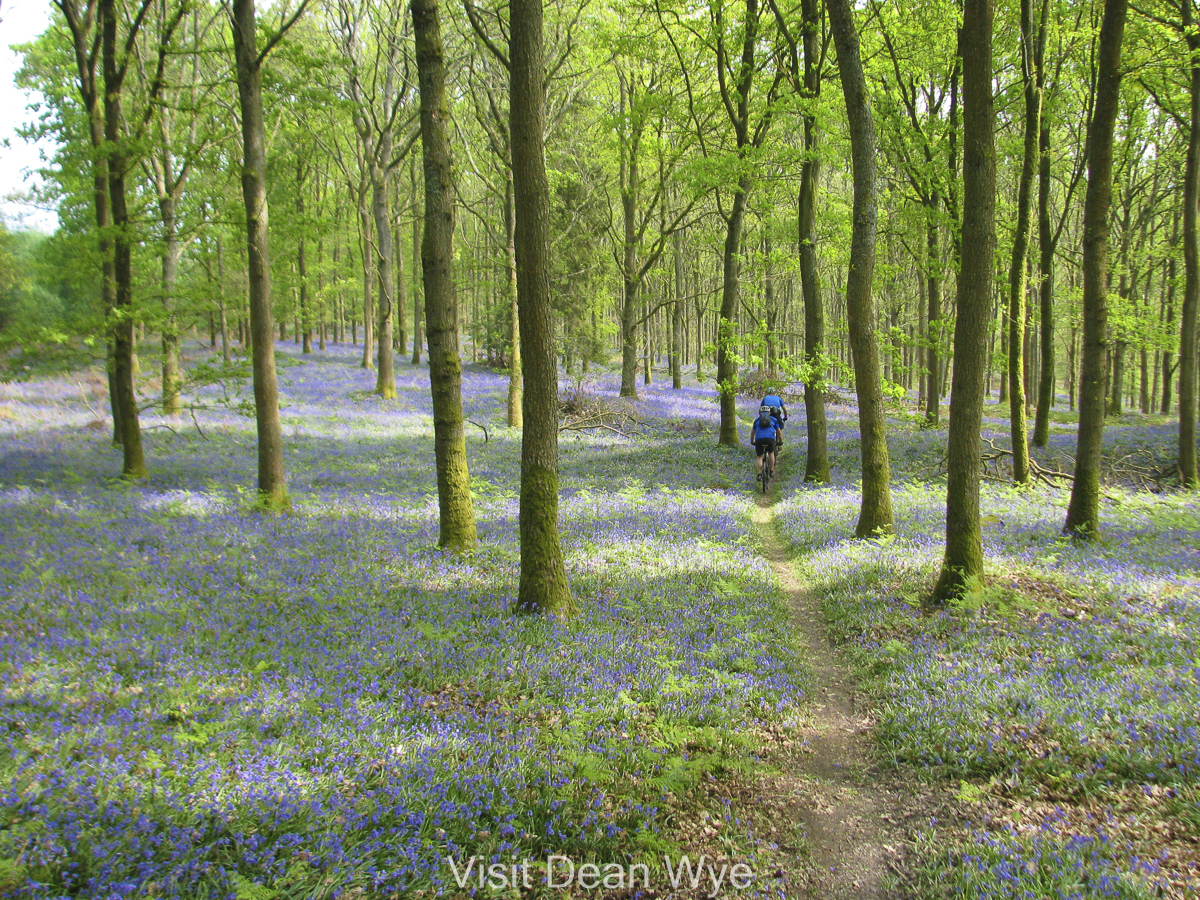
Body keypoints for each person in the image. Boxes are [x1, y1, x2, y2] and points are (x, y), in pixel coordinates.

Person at [749, 405, 780, 478]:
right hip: (770, 439)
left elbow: (753, 432)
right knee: (771, 453)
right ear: (769, 412)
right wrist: (780, 441)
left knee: (760, 456)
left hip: (759, 439)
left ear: (760, 413)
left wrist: (752, 441)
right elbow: (779, 431)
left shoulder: (757, 420)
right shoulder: (774, 420)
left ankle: (759, 474)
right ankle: (771, 471)